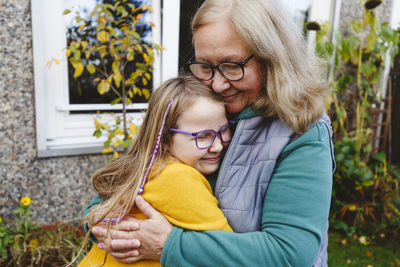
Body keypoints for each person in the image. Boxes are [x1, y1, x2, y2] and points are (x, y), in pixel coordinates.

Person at [87, 0, 336, 266]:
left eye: (232, 66)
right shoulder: (200, 109)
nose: (217, 84)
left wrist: (169, 245)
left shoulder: (302, 131)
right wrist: (102, 224)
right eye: (205, 66)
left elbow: (289, 254)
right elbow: (121, 186)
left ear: (271, 59)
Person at [78, 76, 233, 267]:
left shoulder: (147, 168)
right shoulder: (179, 178)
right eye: (203, 136)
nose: (217, 146)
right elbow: (228, 250)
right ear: (165, 139)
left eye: (224, 130)